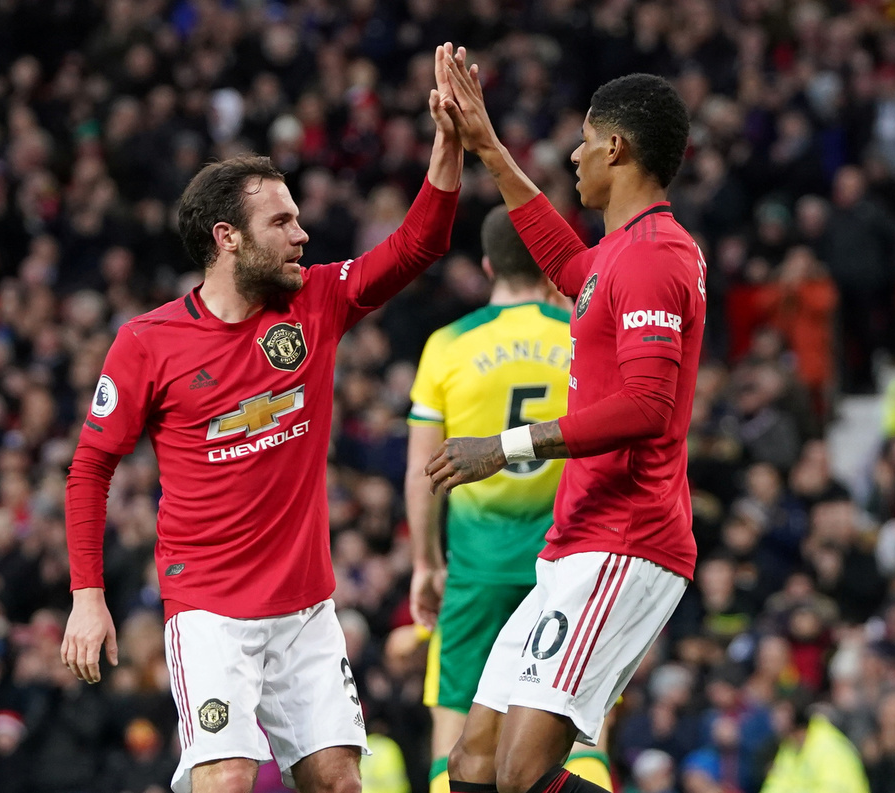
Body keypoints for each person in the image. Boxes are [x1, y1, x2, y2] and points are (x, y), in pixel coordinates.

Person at [59, 45, 464, 793]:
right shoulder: (147, 342)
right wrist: (88, 596)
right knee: (226, 779)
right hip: (209, 611)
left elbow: (419, 245)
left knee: (340, 781)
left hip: (305, 606)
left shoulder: (316, 301)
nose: (301, 235)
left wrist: (448, 145)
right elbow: (90, 468)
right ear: (228, 237)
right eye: (282, 222)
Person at [425, 53, 703, 793]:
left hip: (626, 538)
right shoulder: (620, 254)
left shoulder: (654, 259)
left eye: (584, 141)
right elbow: (563, 261)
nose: (574, 156)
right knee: (472, 764)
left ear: (616, 147)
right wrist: (487, 148)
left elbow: (648, 406)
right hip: (577, 538)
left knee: (522, 773)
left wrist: (506, 446)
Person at [405, 205, 612, 793]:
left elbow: (423, 473)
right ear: (549, 268)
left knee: (456, 736)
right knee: (577, 736)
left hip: (478, 572)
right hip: (569, 566)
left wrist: (426, 563)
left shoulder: (448, 345)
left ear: (488, 265)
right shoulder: (580, 334)